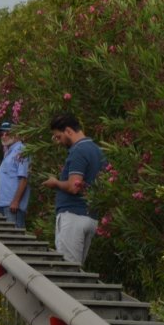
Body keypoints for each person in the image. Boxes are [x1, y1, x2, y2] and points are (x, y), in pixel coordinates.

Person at [42, 113, 107, 266]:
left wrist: (56, 183)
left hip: (73, 217)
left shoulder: (78, 151)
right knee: (77, 271)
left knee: (68, 270)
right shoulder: (97, 150)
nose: (58, 142)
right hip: (90, 216)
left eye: (58, 137)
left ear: (68, 131)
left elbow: (74, 186)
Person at [0, 121, 30, 229]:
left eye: (7, 133)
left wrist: (16, 201)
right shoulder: (8, 152)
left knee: (15, 240)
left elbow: (24, 178)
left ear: (17, 134)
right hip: (2, 204)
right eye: (2, 134)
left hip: (12, 206)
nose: (4, 136)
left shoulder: (22, 150)